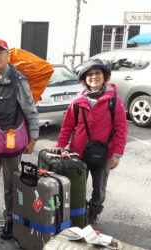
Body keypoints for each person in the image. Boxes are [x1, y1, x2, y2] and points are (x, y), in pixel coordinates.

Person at [0, 39, 39, 240]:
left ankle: (11, 219)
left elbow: (30, 110)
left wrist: (33, 138)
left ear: (7, 56)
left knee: (11, 182)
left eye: (0, 52)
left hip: (11, 139)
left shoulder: (18, 80)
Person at [50, 59, 128, 226]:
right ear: (84, 79)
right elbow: (68, 126)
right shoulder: (78, 101)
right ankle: (77, 213)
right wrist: (59, 145)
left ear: (104, 76)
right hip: (78, 152)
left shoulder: (114, 100)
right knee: (76, 186)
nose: (94, 77)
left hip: (104, 153)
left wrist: (117, 154)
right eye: (90, 74)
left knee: (99, 188)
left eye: (97, 73)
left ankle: (93, 214)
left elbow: (121, 129)